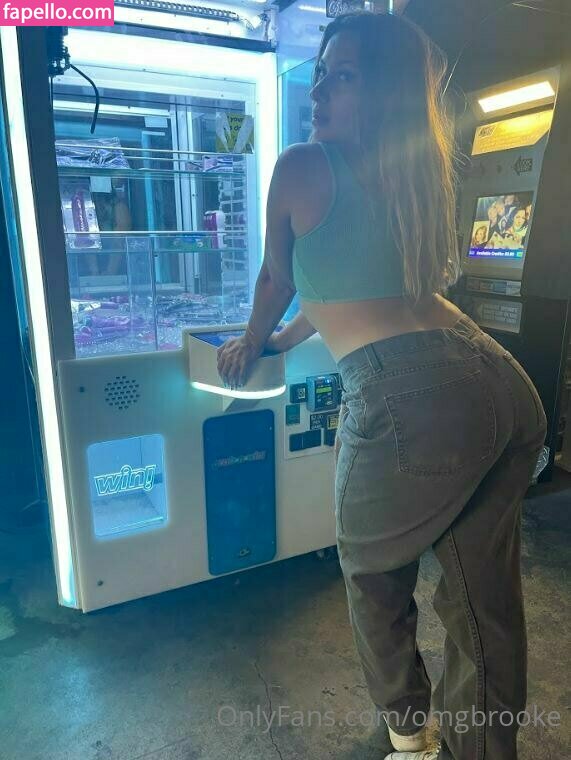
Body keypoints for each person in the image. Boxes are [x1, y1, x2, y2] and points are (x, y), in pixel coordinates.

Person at [217, 11, 547, 760]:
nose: (318, 91)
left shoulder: (302, 164)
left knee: (371, 577)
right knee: (481, 600)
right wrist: (285, 338)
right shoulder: (414, 177)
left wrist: (250, 337)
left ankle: (410, 736)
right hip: (495, 381)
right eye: (320, 74)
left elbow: (277, 277)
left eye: (342, 76)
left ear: (386, 92)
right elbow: (341, 281)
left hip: (408, 395)